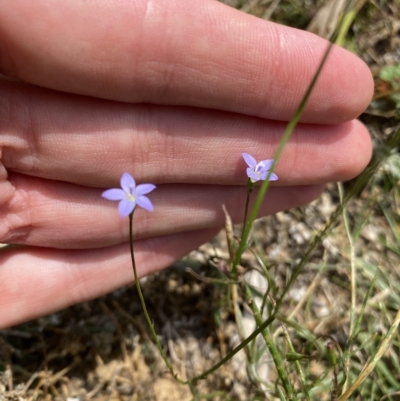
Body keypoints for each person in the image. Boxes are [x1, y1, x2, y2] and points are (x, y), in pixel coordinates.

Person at [0, 0, 373, 328]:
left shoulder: (148, 193)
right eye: (128, 193)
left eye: (130, 193)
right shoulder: (131, 195)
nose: (129, 193)